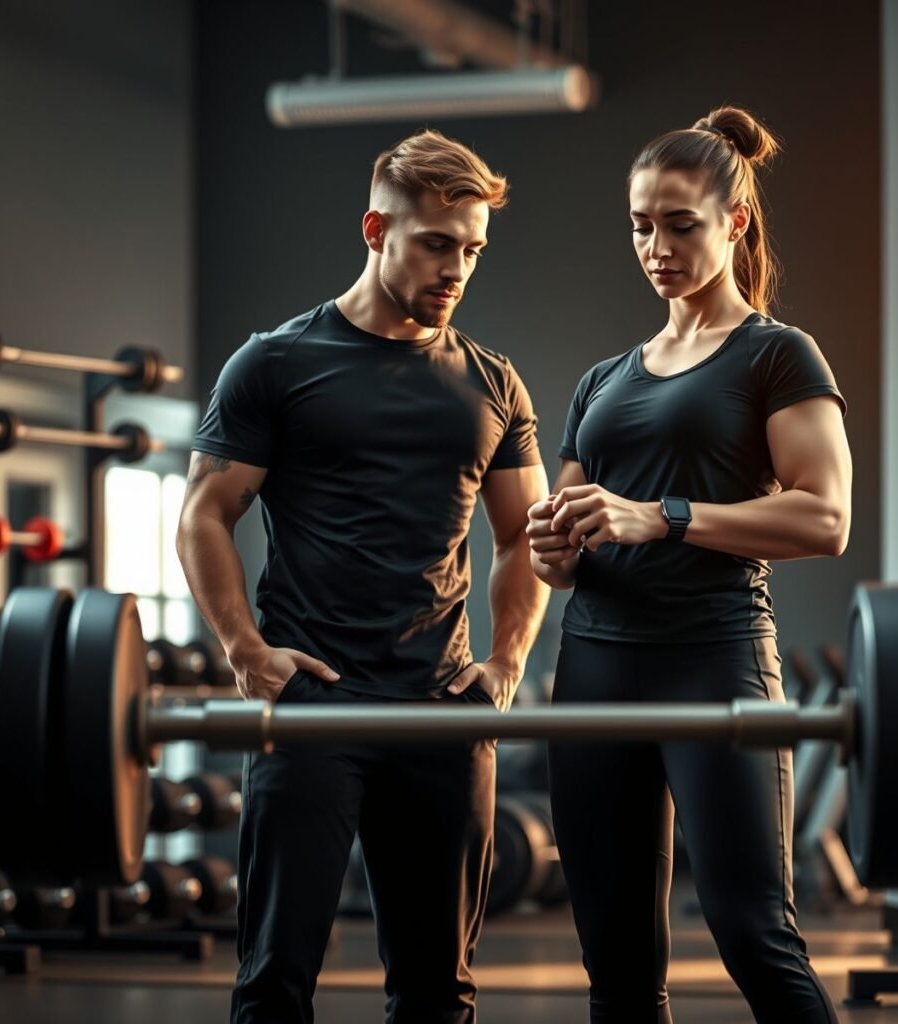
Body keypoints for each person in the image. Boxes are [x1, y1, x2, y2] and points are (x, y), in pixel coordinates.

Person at [177, 128, 550, 1024]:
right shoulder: (275, 363)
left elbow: (526, 538)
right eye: (435, 243)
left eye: (473, 249)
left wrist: (506, 665)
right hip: (313, 708)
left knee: (439, 993)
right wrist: (244, 651)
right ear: (375, 228)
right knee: (273, 986)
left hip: (442, 712)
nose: (457, 267)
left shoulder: (494, 382)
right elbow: (204, 515)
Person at [526, 106, 851, 1023]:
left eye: (679, 224)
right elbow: (565, 536)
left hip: (713, 659)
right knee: (617, 963)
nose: (656, 246)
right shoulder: (603, 379)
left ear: (734, 223)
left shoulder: (776, 355)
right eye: (640, 225)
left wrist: (660, 516)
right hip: (592, 667)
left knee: (754, 933)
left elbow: (825, 517)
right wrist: (554, 546)